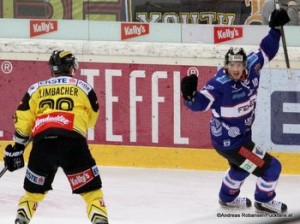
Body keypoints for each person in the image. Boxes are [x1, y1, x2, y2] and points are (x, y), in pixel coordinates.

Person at [180, 8, 290, 213]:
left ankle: (227, 197)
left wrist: (275, 29)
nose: (236, 69)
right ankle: (263, 199)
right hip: (231, 144)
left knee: (241, 167)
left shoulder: (253, 66)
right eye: (231, 65)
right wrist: (189, 96)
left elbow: (267, 50)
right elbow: (199, 104)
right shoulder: (220, 84)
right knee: (271, 168)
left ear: (244, 64)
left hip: (239, 141)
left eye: (239, 64)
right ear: (226, 66)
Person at [4, 50, 109, 224]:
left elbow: (23, 119)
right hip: (73, 143)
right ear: (70, 67)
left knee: (33, 194)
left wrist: (18, 148)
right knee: (92, 193)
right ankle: (100, 221)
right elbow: (92, 118)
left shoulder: (35, 89)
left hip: (43, 144)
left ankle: (21, 219)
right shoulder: (83, 87)